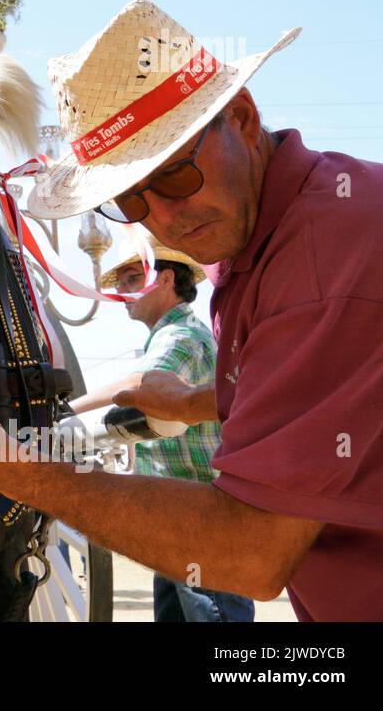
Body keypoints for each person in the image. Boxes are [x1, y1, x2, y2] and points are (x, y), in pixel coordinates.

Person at [0, 0, 383, 621]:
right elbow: (325, 393)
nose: (163, 219)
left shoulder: (326, 264)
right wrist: (197, 403)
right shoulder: (265, 242)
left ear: (241, 118)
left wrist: (8, 468)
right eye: (130, 202)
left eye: (175, 176)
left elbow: (251, 554)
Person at [73, 235, 255, 621]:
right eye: (121, 282)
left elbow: (143, 386)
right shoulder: (173, 336)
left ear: (166, 279)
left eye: (131, 279)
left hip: (203, 520)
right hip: (182, 515)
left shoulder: (182, 337)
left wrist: (66, 413)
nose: (122, 292)